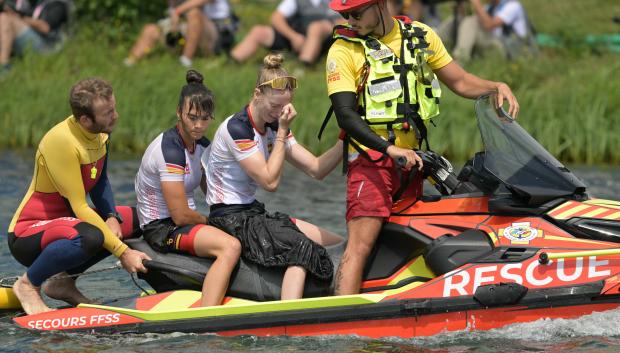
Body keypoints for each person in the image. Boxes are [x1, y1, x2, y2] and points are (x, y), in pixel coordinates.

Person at [325, 0, 519, 295]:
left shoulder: (421, 36)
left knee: (405, 239)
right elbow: (346, 116)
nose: (350, 20)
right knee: (360, 246)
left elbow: (462, 81)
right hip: (371, 161)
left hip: (412, 162)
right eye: (344, 14)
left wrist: (497, 86)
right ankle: (340, 322)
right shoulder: (343, 50)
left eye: (356, 13)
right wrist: (389, 150)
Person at [204, 53, 343, 300]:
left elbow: (317, 169)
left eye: (284, 108)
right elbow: (270, 182)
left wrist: (347, 141)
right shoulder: (238, 128)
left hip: (253, 213)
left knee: (335, 241)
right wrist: (282, 131)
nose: (279, 113)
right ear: (258, 94)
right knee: (301, 248)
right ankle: (290, 318)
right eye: (274, 107)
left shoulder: (273, 126)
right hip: (230, 219)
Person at [7, 77, 151, 315]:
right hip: (28, 232)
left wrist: (111, 215)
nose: (115, 115)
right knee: (91, 236)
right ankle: (28, 284)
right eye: (108, 112)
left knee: (137, 219)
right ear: (85, 119)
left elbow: (100, 181)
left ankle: (62, 282)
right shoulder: (62, 142)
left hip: (70, 222)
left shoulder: (101, 133)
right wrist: (123, 252)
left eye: (114, 108)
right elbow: (80, 207)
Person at [135, 69, 240, 307]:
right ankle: (207, 313)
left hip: (183, 223)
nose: (199, 125)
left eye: (205, 118)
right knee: (230, 247)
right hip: (161, 227)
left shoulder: (203, 146)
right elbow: (180, 215)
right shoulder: (170, 149)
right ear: (179, 112)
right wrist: (213, 222)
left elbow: (217, 193)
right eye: (192, 117)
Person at [124, 0, 235, 67]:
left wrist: (178, 11)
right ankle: (130, 62)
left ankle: (185, 61)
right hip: (185, 29)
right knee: (151, 29)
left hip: (215, 32)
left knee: (194, 13)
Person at [230, 0, 343, 66]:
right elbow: (276, 18)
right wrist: (293, 36)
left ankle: (303, 66)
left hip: (328, 38)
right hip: (297, 36)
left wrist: (330, 24)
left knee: (316, 27)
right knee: (258, 31)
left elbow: (350, 20)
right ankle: (232, 63)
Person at [438, 0, 533, 61]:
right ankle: (433, 45)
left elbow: (489, 25)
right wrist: (461, 5)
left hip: (509, 49)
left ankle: (459, 60)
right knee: (459, 19)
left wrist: (476, 3)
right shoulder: (489, 8)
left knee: (471, 21)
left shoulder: (513, 5)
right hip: (492, 44)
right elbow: (465, 22)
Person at [0, 0, 72, 75]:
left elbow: (45, 27)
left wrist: (19, 18)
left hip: (47, 47)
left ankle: (4, 68)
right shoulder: (38, 3)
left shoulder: (57, 4)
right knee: (3, 18)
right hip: (34, 40)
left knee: (4, 19)